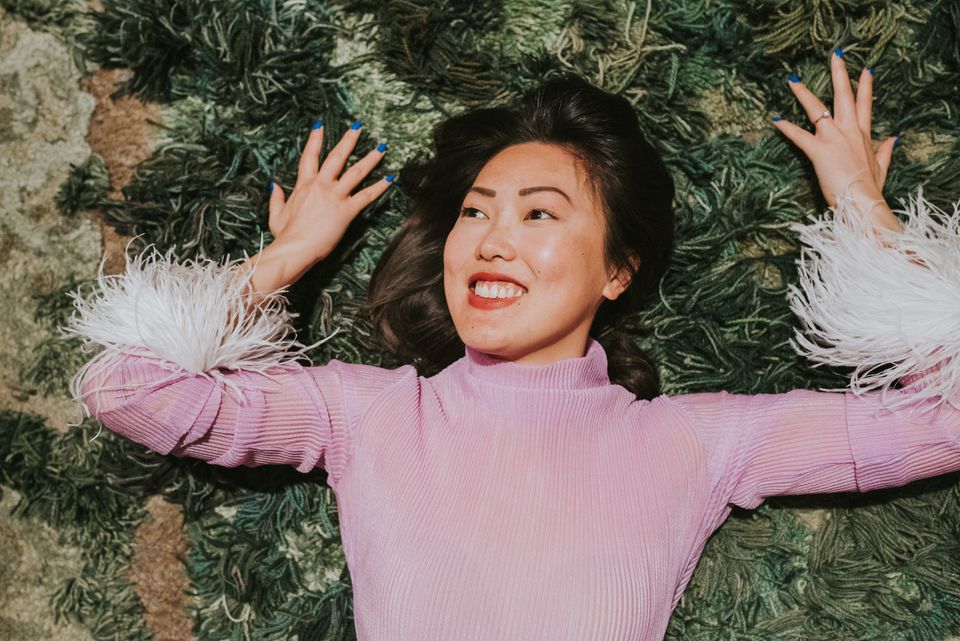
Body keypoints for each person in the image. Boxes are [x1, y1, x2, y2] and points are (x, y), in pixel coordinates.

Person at [62, 49, 960, 641]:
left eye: (539, 215)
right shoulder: (366, 413)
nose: (490, 241)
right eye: (474, 213)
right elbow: (128, 387)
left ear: (618, 270)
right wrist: (289, 254)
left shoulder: (697, 439)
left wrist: (863, 210)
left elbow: (947, 416)